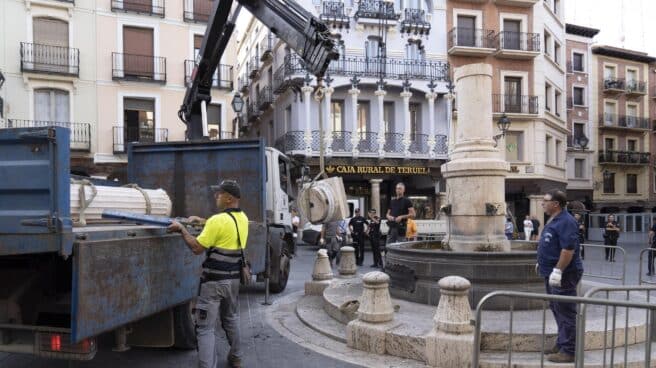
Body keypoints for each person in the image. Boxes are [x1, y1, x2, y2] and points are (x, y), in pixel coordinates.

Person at [167, 180, 247, 368]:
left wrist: (182, 228)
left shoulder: (216, 221)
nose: (215, 196)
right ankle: (237, 357)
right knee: (230, 318)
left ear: (228, 198)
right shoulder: (242, 218)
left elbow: (196, 248)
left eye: (219, 194)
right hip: (233, 280)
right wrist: (202, 221)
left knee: (205, 328)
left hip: (214, 283)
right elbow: (225, 225)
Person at [537, 189, 583, 363]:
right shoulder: (554, 219)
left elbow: (568, 249)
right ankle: (562, 342)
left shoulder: (566, 221)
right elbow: (551, 243)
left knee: (565, 310)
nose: (542, 203)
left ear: (555, 204)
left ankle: (569, 350)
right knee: (557, 308)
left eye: (545, 200)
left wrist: (558, 270)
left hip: (564, 273)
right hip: (551, 272)